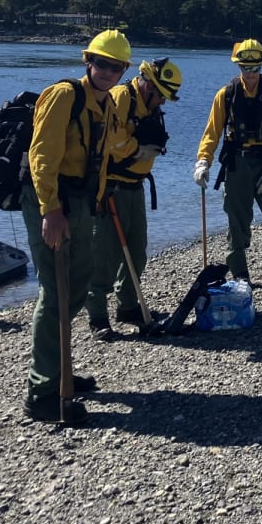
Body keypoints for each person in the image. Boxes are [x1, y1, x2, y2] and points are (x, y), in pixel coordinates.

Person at [19, 28, 131, 424]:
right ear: (89, 62)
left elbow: (106, 152)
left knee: (77, 286)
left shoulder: (109, 105)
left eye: (115, 67)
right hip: (51, 202)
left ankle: (62, 371)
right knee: (55, 291)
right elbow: (41, 156)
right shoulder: (64, 95)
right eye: (101, 63)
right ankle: (43, 392)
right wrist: (50, 211)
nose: (107, 72)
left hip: (82, 204)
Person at [193, 39, 262, 293]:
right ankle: (241, 274)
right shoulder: (226, 94)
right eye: (245, 68)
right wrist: (203, 161)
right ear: (238, 67)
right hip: (236, 164)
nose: (250, 74)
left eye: (255, 68)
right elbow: (212, 132)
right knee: (236, 220)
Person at [94, 57, 183, 326]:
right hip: (111, 188)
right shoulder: (121, 98)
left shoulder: (149, 106)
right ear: (148, 86)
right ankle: (98, 317)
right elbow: (109, 139)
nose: (164, 102)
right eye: (162, 95)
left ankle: (128, 307)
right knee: (105, 256)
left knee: (137, 251)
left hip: (135, 187)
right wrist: (137, 150)